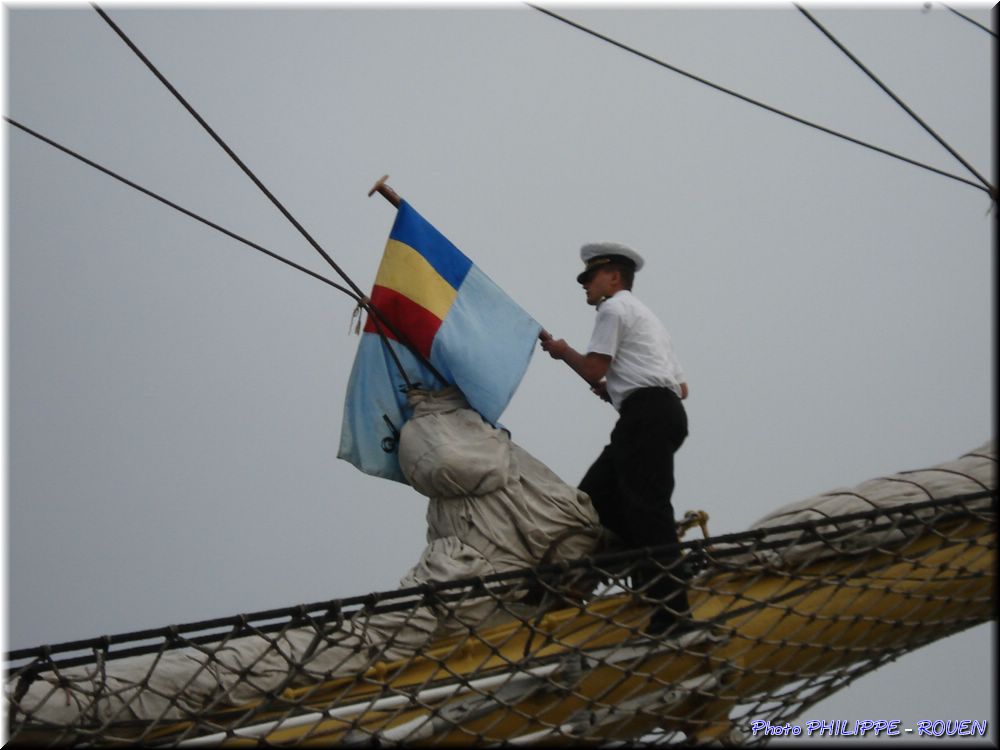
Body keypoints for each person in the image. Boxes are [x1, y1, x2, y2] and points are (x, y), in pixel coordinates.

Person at [540, 241, 691, 635]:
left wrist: (563, 351)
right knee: (595, 499)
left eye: (590, 276)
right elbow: (680, 387)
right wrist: (618, 387)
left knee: (647, 509)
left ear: (613, 277)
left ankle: (673, 613)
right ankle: (642, 579)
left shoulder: (613, 309)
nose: (584, 284)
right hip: (662, 414)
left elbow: (593, 369)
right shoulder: (649, 318)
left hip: (645, 417)